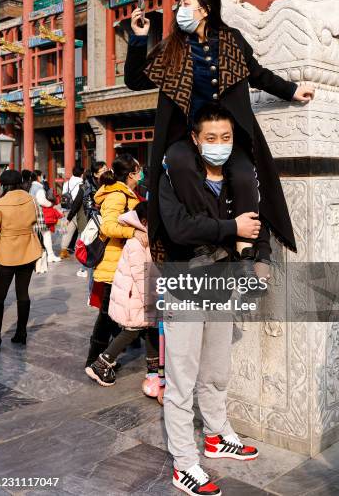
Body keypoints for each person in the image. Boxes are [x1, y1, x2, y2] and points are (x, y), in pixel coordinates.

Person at [124, 0, 315, 273]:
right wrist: (139, 37)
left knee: (243, 175)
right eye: (180, 4)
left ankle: (248, 245)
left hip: (229, 134)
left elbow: (258, 74)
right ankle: (204, 244)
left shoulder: (231, 40)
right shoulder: (172, 47)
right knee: (178, 162)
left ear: (205, 9)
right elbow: (135, 80)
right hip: (188, 135)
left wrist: (291, 91)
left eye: (186, 3)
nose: (179, 9)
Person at [158, 105, 261, 496]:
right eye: (211, 138)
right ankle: (185, 463)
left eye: (226, 138)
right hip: (184, 287)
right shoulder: (177, 178)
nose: (219, 145)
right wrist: (230, 228)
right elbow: (179, 228)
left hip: (221, 286)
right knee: (181, 381)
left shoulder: (237, 179)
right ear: (196, 140)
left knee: (217, 370)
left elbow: (255, 225)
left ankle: (217, 435)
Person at [86, 201, 159, 389]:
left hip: (137, 295)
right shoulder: (136, 243)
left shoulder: (144, 239)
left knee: (150, 328)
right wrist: (150, 301)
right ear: (144, 221)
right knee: (131, 331)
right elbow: (141, 275)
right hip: (134, 296)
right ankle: (101, 363)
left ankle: (154, 369)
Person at [84, 154, 145, 368]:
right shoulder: (117, 195)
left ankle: (106, 354)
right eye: (139, 170)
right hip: (113, 261)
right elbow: (108, 227)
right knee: (107, 314)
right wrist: (133, 233)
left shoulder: (127, 193)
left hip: (122, 261)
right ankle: (94, 359)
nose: (141, 173)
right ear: (131, 173)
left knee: (113, 312)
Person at [0, 170, 42, 351]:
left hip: (8, 251)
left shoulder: (0, 204)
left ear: (4, 185)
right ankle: (21, 333)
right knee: (23, 293)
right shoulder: (30, 199)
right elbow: (34, 219)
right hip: (27, 248)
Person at [30, 170, 61, 263]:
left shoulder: (31, 187)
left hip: (33, 213)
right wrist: (50, 204)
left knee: (35, 235)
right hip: (40, 213)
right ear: (39, 177)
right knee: (46, 234)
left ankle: (35, 255)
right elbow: (42, 201)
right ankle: (50, 255)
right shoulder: (39, 188)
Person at [60, 166, 84, 259]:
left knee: (67, 231)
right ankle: (82, 251)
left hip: (67, 208)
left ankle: (64, 250)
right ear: (82, 174)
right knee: (83, 231)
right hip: (76, 209)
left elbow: (63, 195)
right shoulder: (81, 183)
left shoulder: (67, 183)